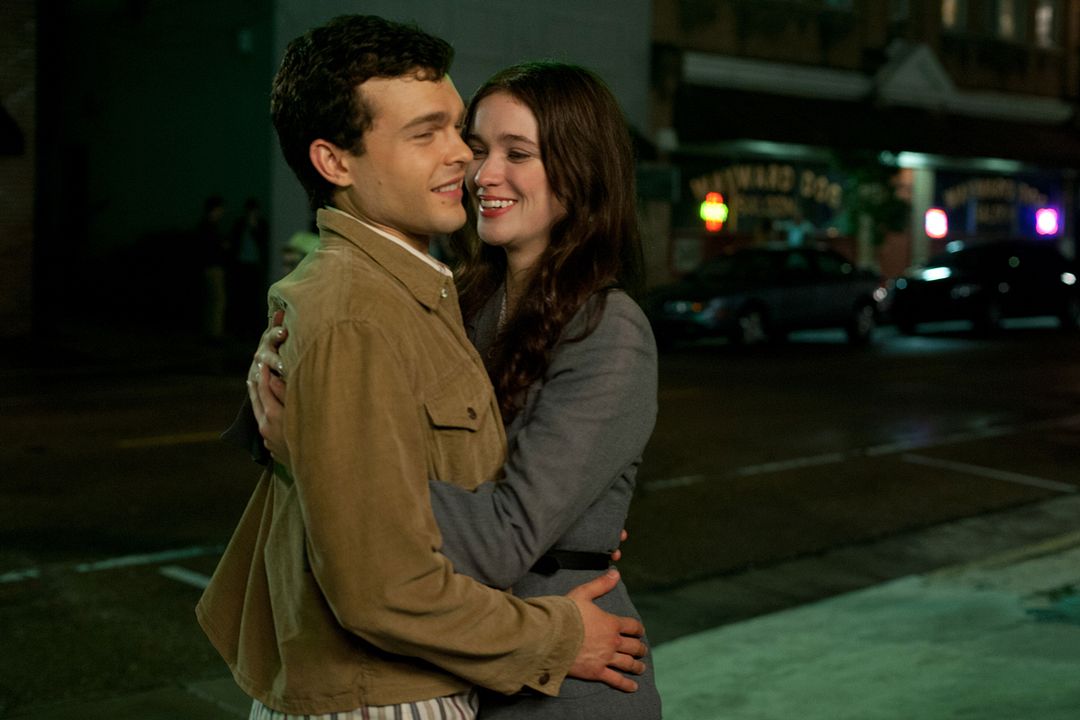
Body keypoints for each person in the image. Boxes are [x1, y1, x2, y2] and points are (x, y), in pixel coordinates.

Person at [196, 15, 646, 719]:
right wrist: (308, 445)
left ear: (580, 171)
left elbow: (502, 535)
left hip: (564, 677)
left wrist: (323, 462)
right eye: (475, 142)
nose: (476, 168)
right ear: (334, 162)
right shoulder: (446, 299)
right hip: (467, 657)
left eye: (516, 153)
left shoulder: (607, 327)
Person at [227, 197, 270, 340]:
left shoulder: (261, 225)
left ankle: (253, 329)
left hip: (255, 266)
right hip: (241, 265)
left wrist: (253, 228)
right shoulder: (239, 224)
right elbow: (234, 243)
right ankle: (241, 329)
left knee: (254, 298)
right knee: (241, 297)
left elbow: (263, 243)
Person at [197, 194, 229, 342]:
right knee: (218, 300)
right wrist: (222, 246)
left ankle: (210, 332)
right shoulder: (210, 227)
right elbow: (212, 247)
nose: (221, 212)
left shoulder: (205, 226)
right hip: (213, 266)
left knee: (211, 300)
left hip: (209, 266)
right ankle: (214, 334)